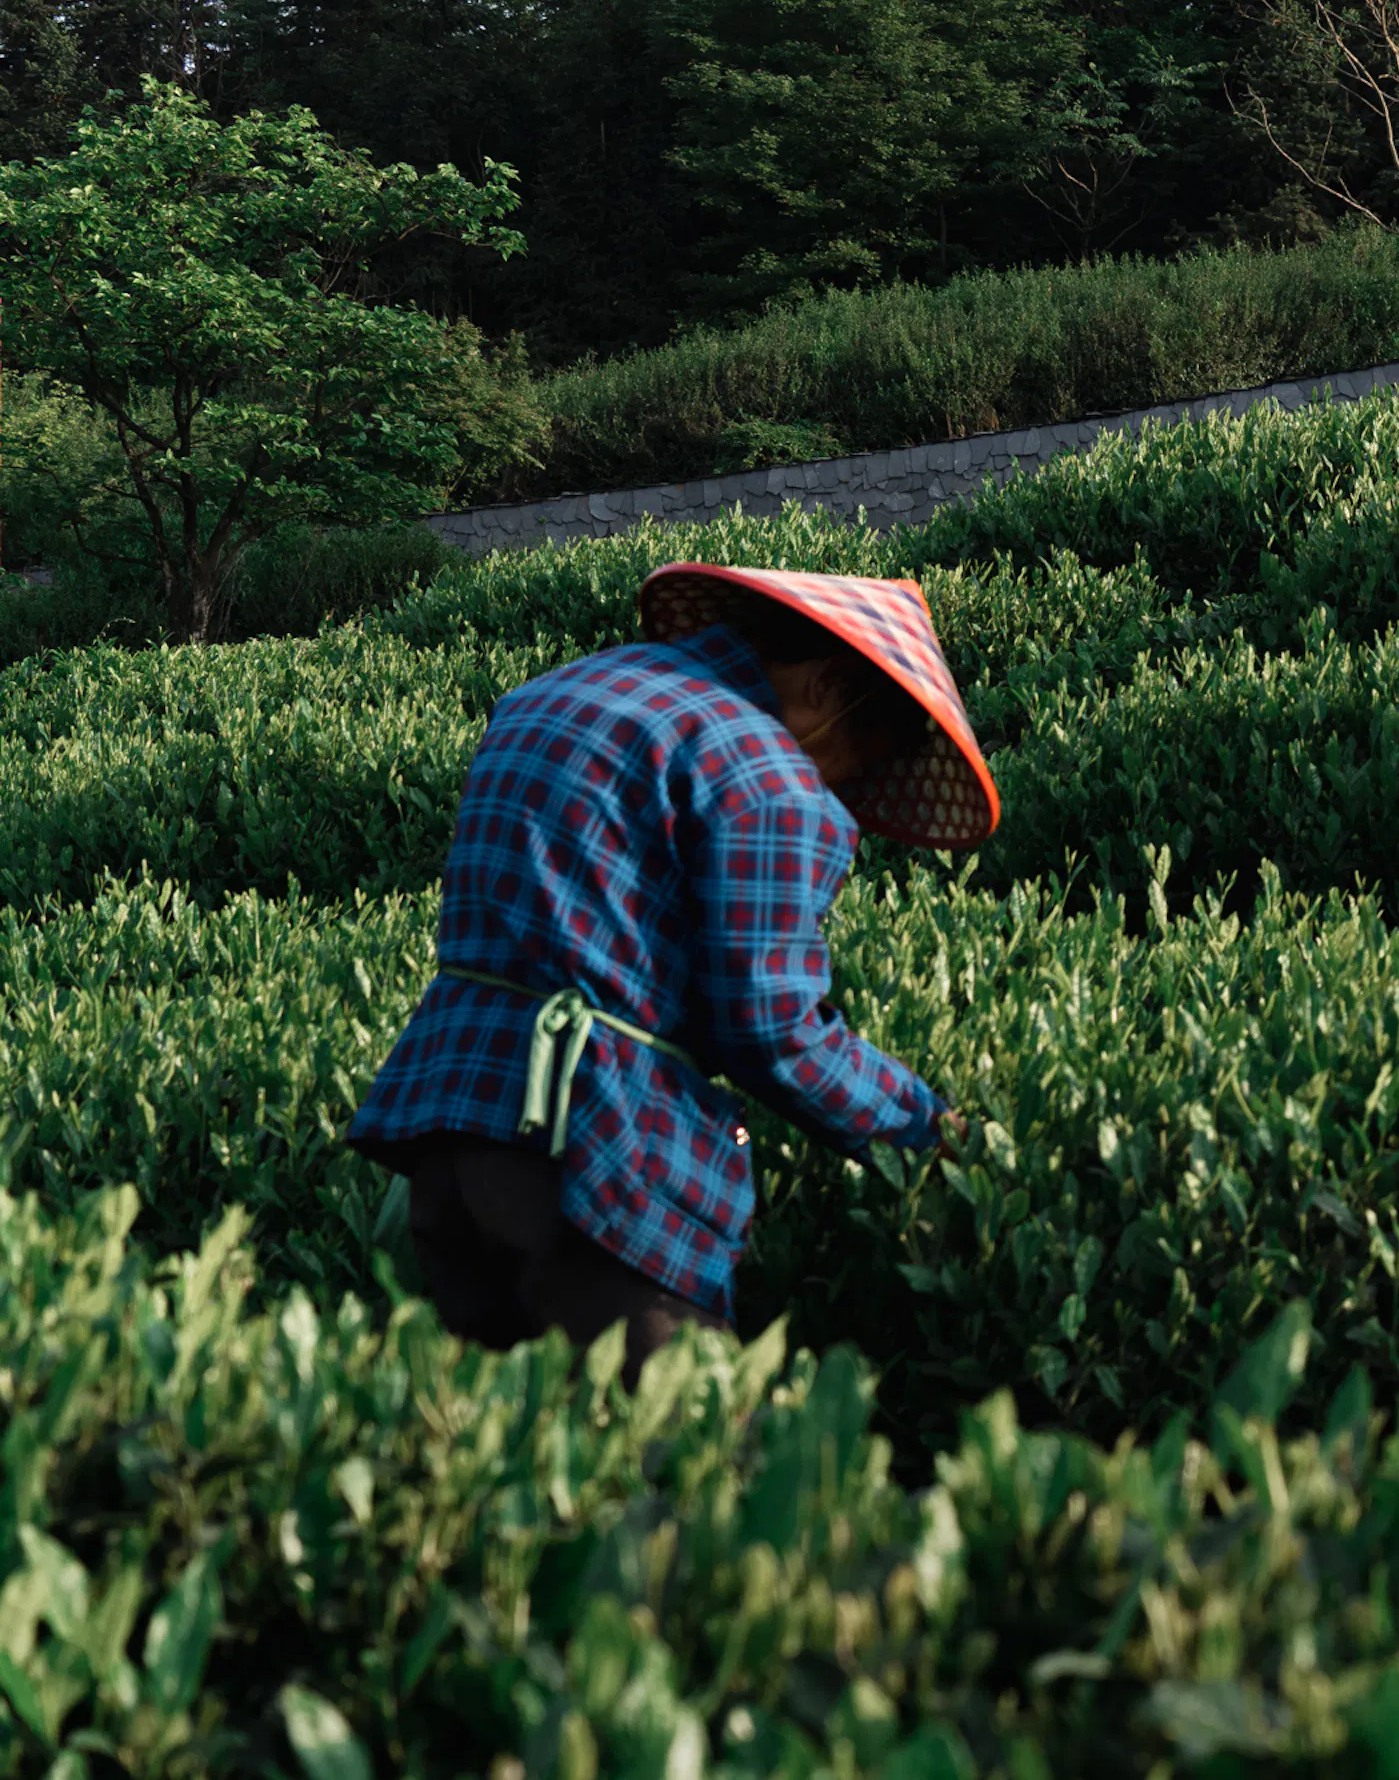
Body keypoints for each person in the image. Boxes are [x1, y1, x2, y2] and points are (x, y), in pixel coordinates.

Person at [348, 562, 1000, 1361]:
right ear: (831, 685)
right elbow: (774, 1031)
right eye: (871, 746)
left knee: (513, 1462)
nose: (852, 779)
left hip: (445, 1139)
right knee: (695, 1459)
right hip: (592, 1160)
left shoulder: (550, 695)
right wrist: (929, 1130)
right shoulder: (768, 776)